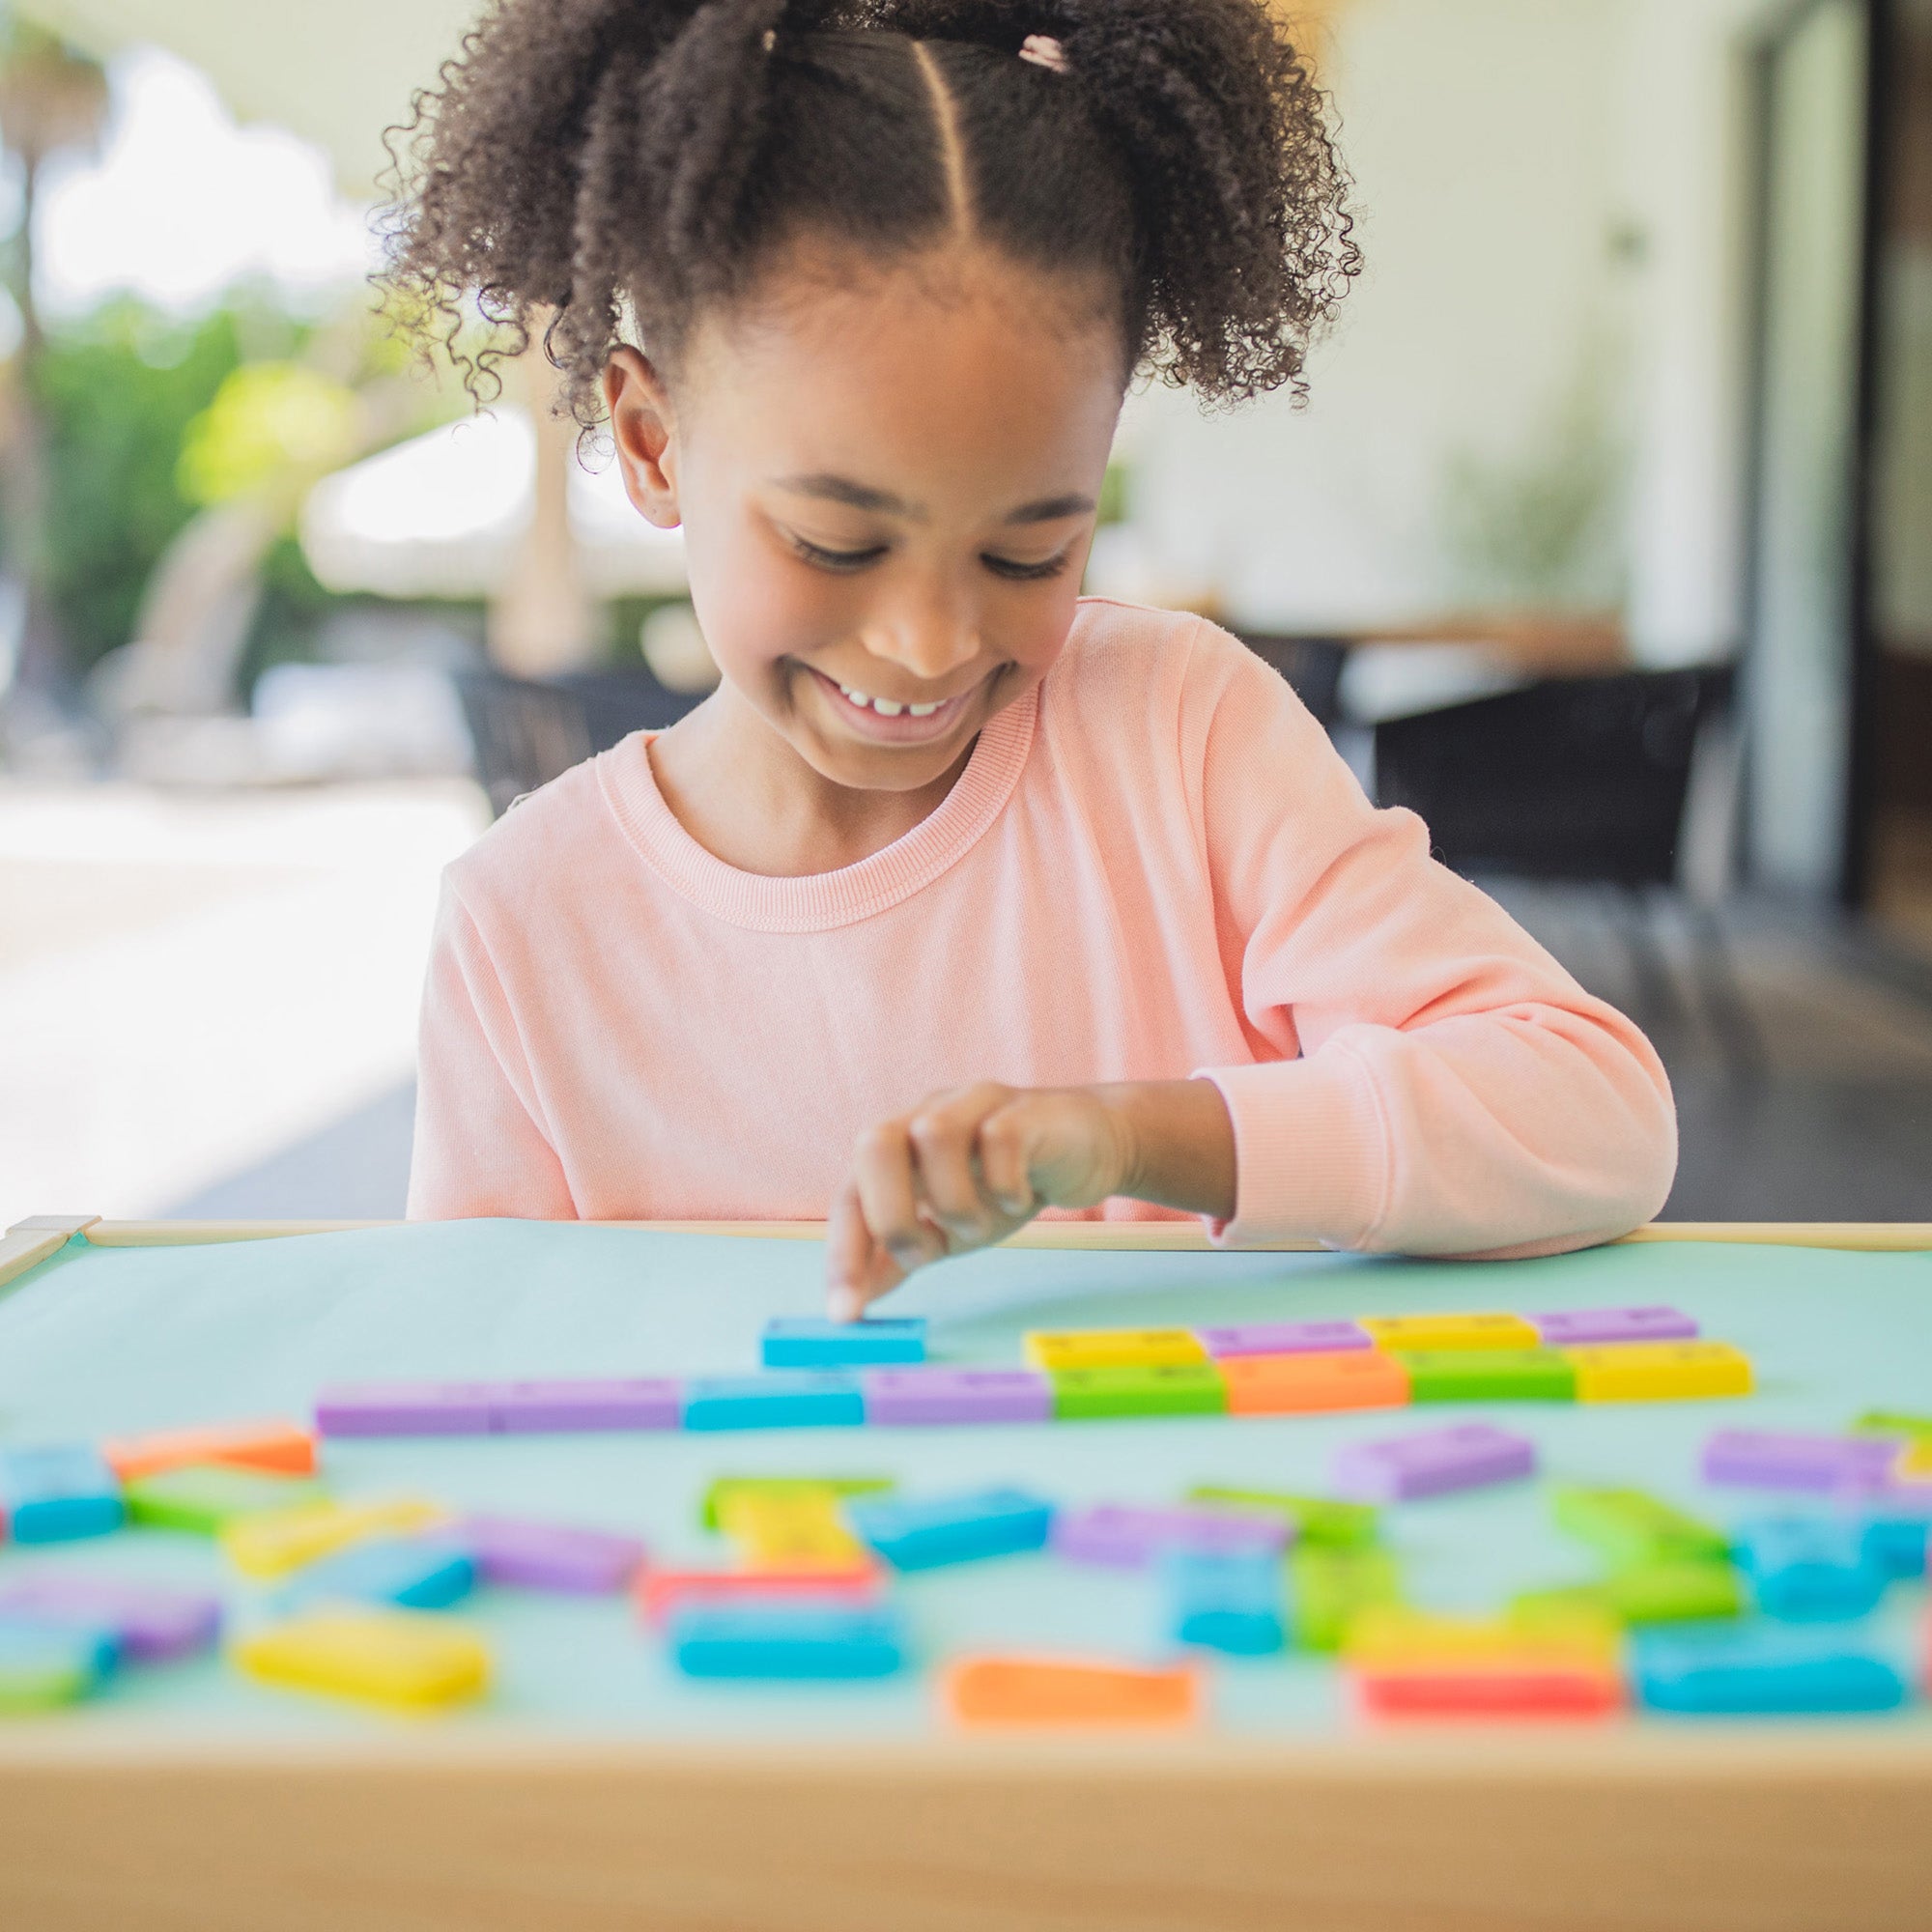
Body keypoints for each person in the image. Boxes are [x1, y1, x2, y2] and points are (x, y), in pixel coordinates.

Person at [390, 0, 1676, 1317]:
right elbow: (482, 1364)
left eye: (1027, 556)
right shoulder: (523, 930)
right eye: (838, 543)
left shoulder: (1181, 736)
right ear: (654, 443)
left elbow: (1598, 1119)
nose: (933, 642)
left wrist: (1132, 1136)